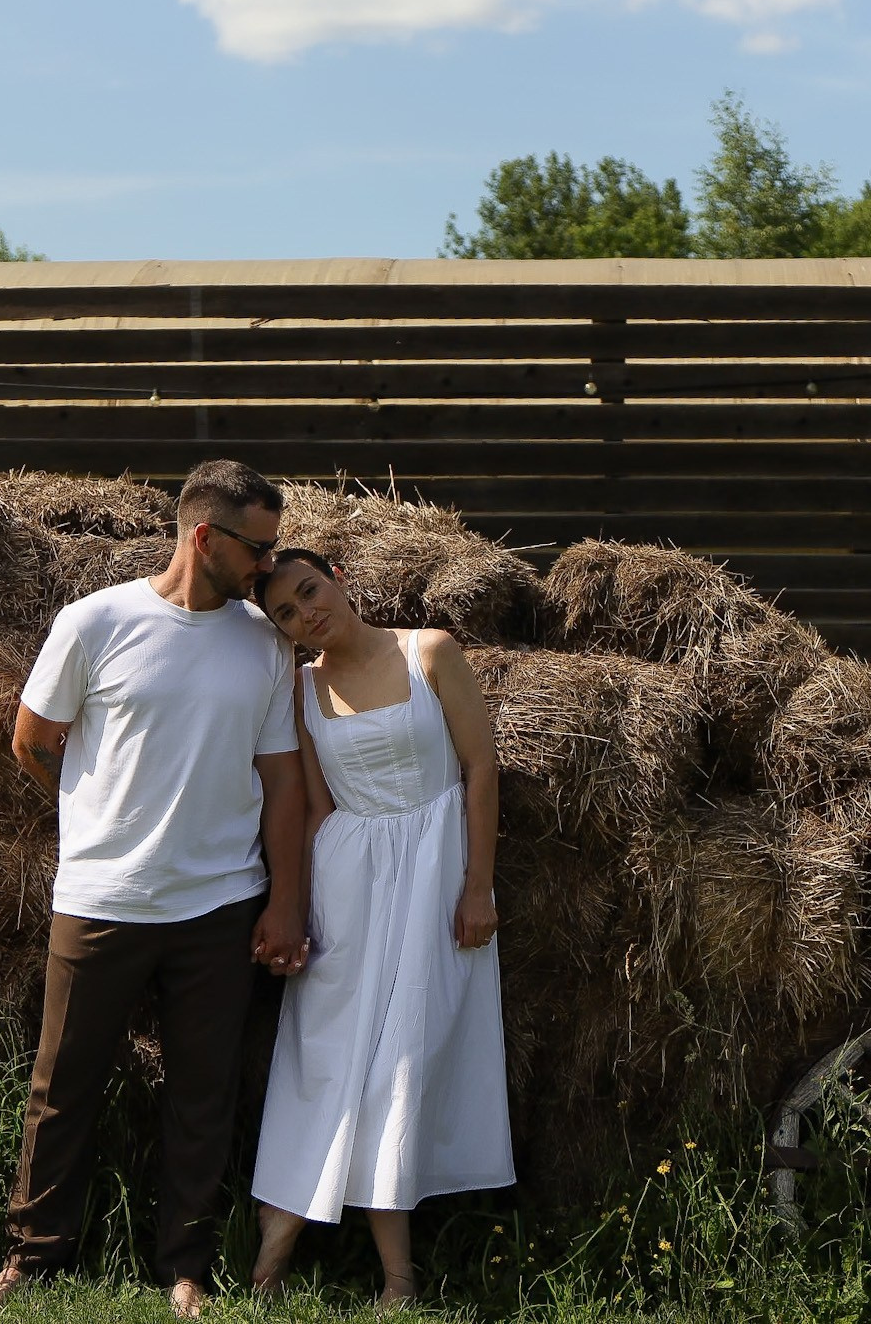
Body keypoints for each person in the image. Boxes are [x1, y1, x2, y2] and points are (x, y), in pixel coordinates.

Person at [0, 461, 310, 1318]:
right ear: (205, 536)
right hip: (100, 900)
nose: (268, 565)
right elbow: (32, 740)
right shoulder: (95, 622)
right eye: (257, 547)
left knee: (203, 1091)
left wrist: (284, 900)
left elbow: (283, 786)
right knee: (63, 1085)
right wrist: (101, 818)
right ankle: (31, 1258)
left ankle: (186, 1266)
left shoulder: (264, 644)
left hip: (220, 905)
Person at [246, 548, 514, 1308]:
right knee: (327, 1059)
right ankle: (282, 1234)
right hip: (349, 878)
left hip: (433, 873)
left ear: (338, 578)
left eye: (309, 591)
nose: (307, 614)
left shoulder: (429, 649)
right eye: (288, 615)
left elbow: (480, 771)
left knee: (399, 1066)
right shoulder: (300, 688)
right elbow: (319, 806)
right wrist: (302, 907)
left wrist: (476, 886)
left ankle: (394, 1275)